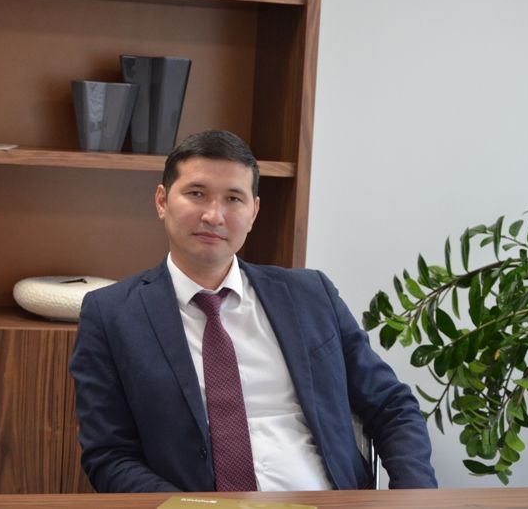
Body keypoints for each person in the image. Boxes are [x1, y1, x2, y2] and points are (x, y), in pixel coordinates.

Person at [69, 130, 437, 493]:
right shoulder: (111, 315)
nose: (214, 215)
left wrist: (414, 498)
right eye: (197, 194)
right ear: (162, 201)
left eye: (233, 199)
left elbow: (391, 405)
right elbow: (110, 455)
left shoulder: (312, 295)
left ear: (254, 212)